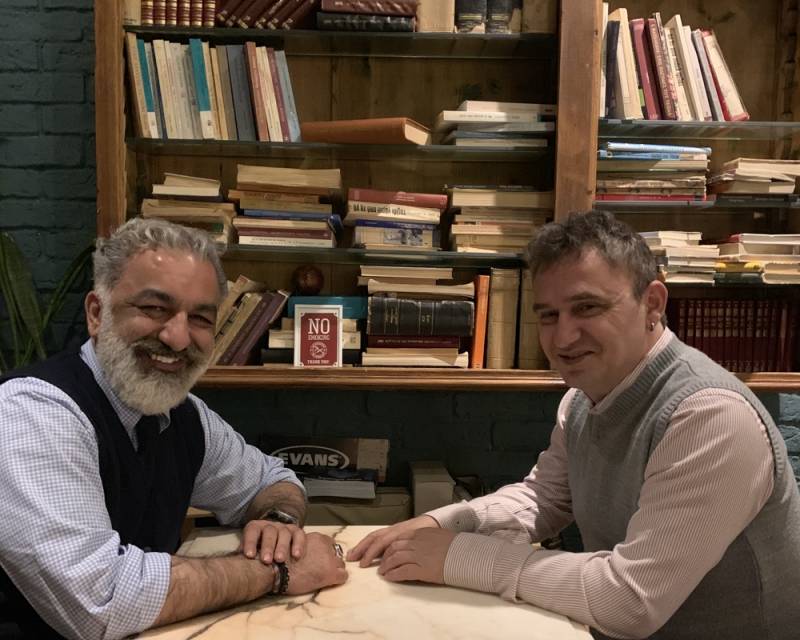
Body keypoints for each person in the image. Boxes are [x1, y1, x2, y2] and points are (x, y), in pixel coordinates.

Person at [349, 210, 800, 639]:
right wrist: (443, 522)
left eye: (587, 307)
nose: (562, 338)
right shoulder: (584, 399)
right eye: (549, 314)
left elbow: (631, 601)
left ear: (652, 304)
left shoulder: (711, 416)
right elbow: (545, 497)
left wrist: (461, 556)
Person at [0, 218, 347, 640]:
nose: (179, 338)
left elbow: (272, 480)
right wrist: (276, 570)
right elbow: (100, 601)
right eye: (154, 309)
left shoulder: (181, 415)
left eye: (200, 318)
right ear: (97, 313)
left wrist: (278, 521)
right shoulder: (33, 412)